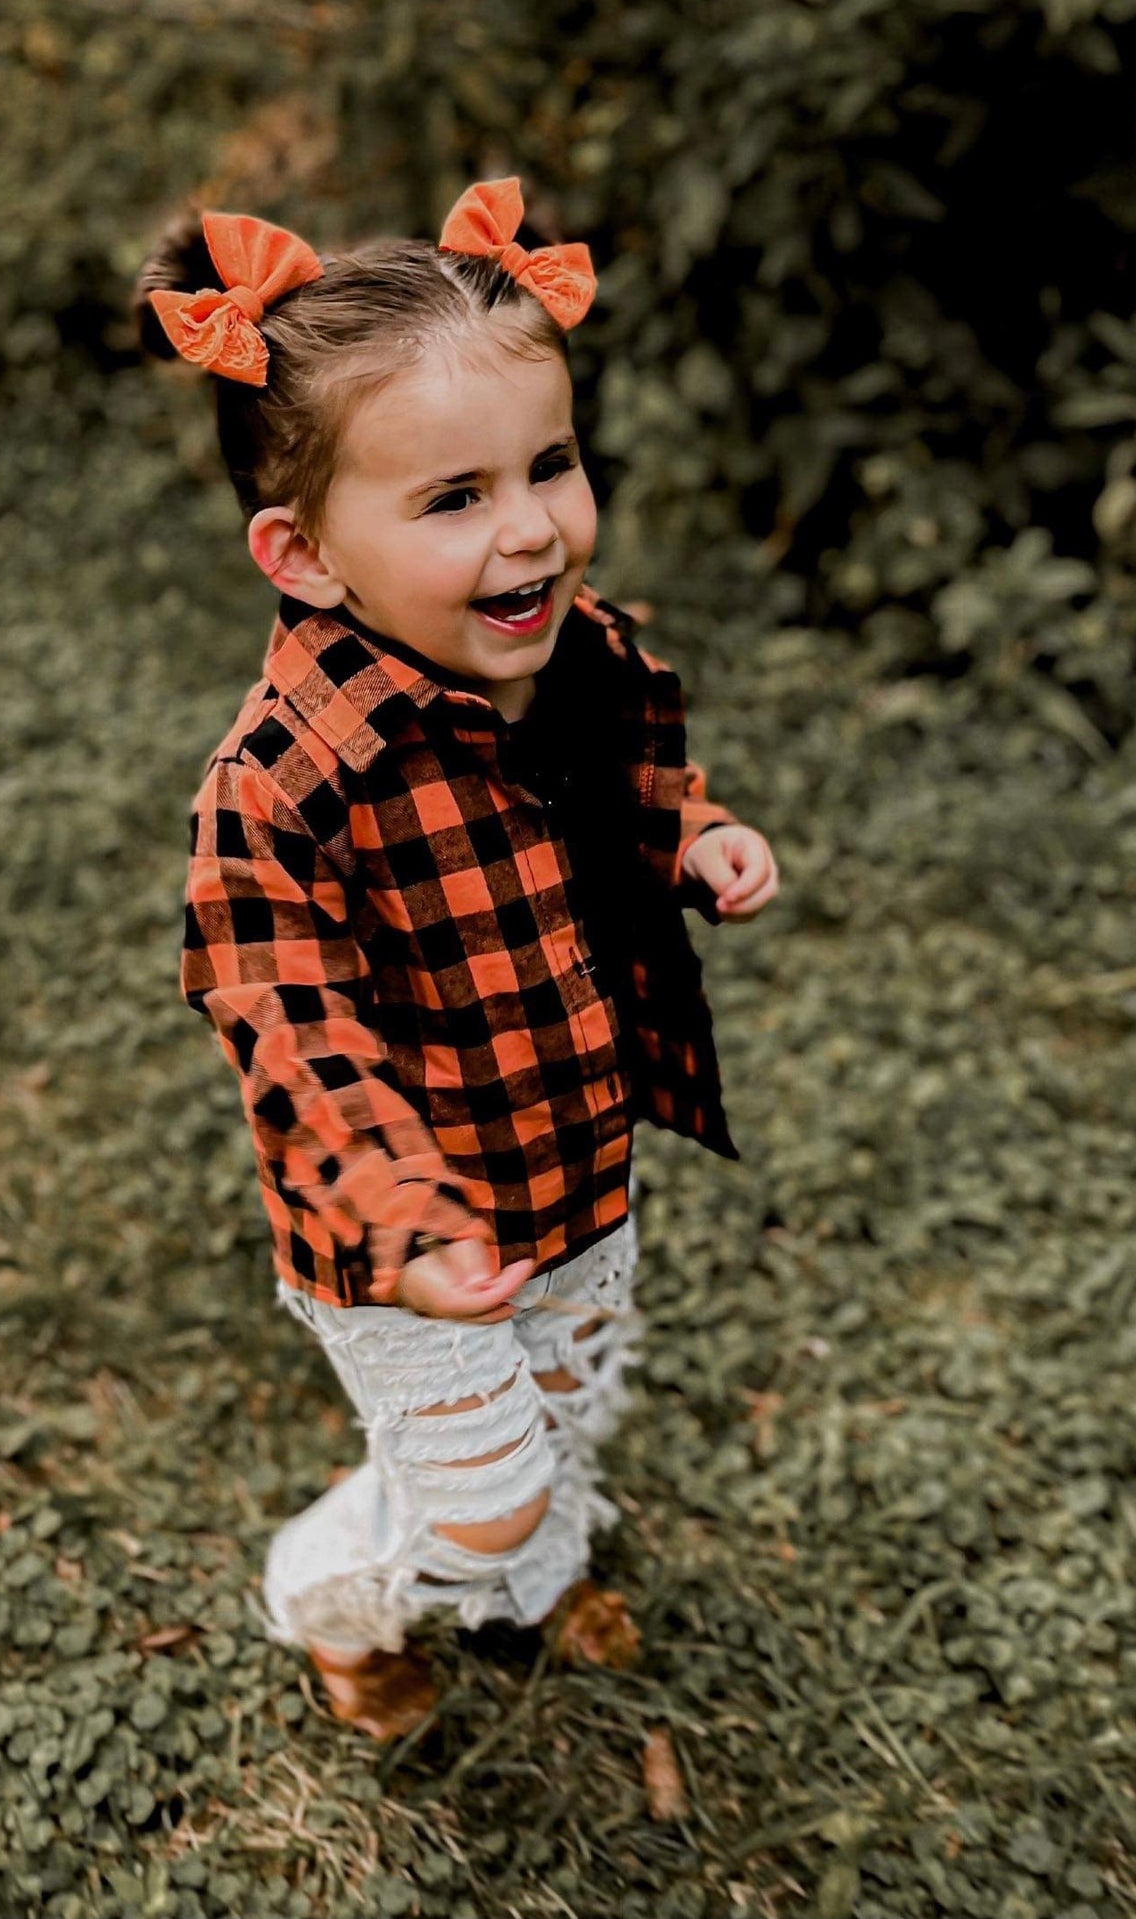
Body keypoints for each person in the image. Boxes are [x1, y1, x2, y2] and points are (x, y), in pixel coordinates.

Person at [134, 176, 780, 1740]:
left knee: (559, 1411)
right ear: (300, 556)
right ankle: (335, 1606)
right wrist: (404, 1218)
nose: (531, 529)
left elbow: (616, 787)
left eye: (549, 465)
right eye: (450, 500)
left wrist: (684, 834)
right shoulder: (284, 786)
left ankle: (532, 1567)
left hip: (570, 1162)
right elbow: (287, 1025)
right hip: (413, 1230)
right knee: (471, 1496)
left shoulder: (569, 655)